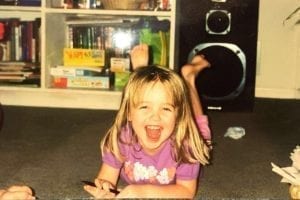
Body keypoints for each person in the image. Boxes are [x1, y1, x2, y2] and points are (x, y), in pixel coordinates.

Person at [83, 44, 212, 198]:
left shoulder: (187, 146)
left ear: (178, 117)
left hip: (185, 134)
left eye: (166, 109)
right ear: (128, 114)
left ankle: (188, 78)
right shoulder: (122, 138)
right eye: (145, 107)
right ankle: (143, 75)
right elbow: (106, 178)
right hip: (135, 119)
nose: (155, 117)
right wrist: (105, 188)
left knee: (200, 131)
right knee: (146, 97)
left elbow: (186, 192)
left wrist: (139, 191)